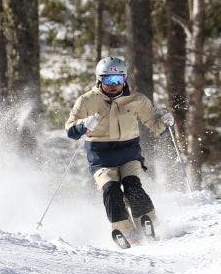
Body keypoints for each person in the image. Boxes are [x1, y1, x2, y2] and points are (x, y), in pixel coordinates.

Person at [65, 56, 174, 248]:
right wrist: (83, 125)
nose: (114, 86)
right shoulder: (87, 101)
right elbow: (70, 130)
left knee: (132, 185)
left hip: (129, 153)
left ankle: (149, 222)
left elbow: (155, 124)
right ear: (99, 80)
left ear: (124, 79)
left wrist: (166, 123)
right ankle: (126, 230)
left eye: (118, 80)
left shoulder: (137, 100)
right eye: (108, 81)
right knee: (111, 190)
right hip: (101, 157)